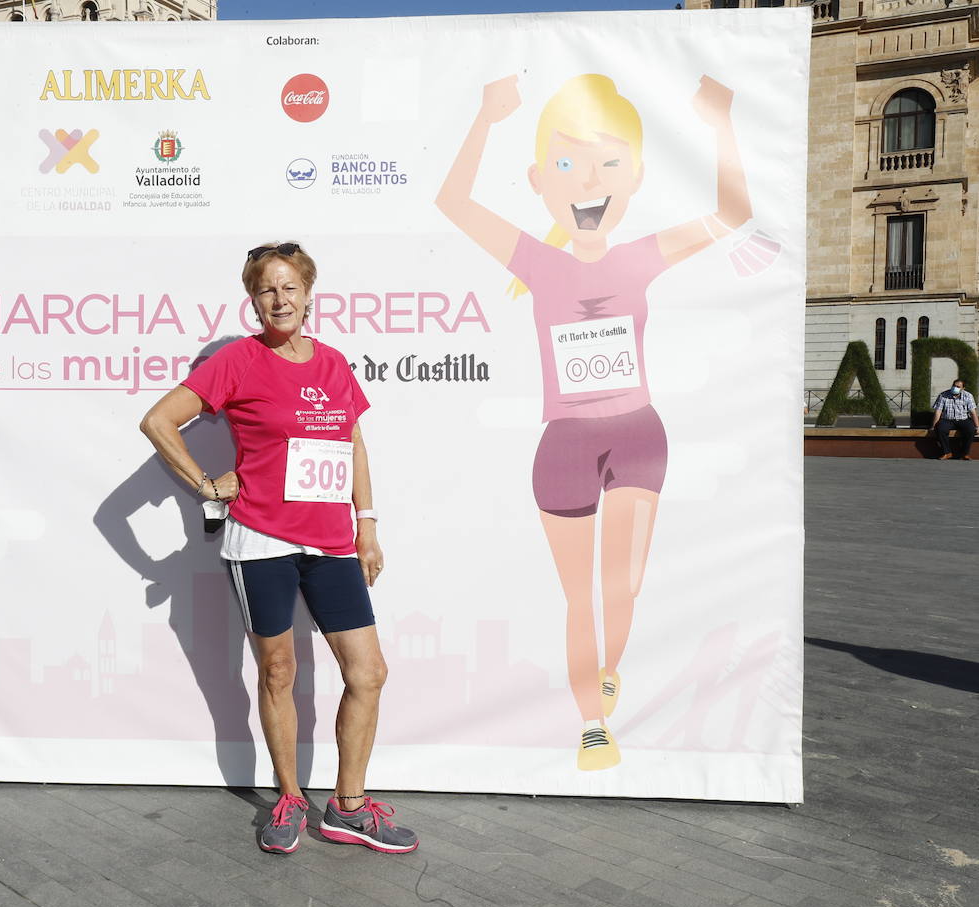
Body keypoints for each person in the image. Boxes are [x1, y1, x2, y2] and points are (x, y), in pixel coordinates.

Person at [436, 73, 751, 770]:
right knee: (580, 595)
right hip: (566, 446)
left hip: (638, 434)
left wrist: (720, 123)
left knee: (625, 585)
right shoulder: (537, 263)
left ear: (634, 177)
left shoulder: (642, 257)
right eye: (567, 165)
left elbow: (731, 212)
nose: (587, 182)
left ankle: (608, 666)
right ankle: (592, 724)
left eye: (608, 164)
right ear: (539, 179)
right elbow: (452, 201)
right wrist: (486, 117)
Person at [139, 241, 418, 855]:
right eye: (267, 289)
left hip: (330, 543)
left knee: (368, 673)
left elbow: (353, 444)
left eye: (290, 286)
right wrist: (207, 485)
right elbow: (158, 421)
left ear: (309, 293)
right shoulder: (236, 361)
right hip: (260, 538)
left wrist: (365, 524)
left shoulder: (335, 363)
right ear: (253, 301)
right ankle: (290, 798)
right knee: (278, 670)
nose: (279, 298)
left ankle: (348, 807)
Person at [929, 379, 977, 459]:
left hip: (963, 419)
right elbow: (938, 412)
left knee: (971, 429)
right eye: (954, 386)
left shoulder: (968, 396)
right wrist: (933, 426)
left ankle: (965, 454)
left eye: (958, 387)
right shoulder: (943, 395)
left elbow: (973, 413)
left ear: (963, 388)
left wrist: (977, 426)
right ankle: (947, 452)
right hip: (947, 420)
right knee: (940, 428)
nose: (955, 388)